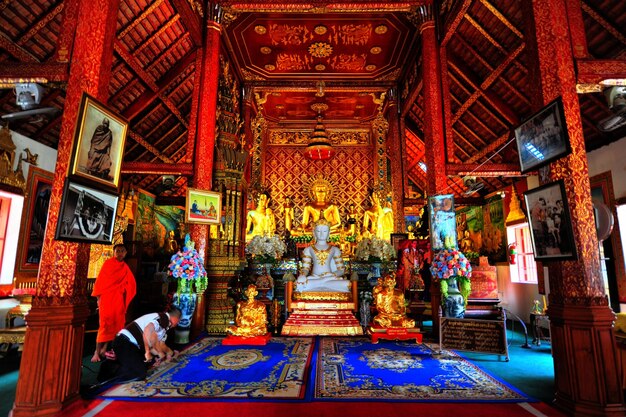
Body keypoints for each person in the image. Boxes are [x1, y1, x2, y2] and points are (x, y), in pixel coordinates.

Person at [108, 307, 181, 383]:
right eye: (178, 321)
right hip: (124, 342)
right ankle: (110, 371)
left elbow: (154, 343)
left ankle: (121, 363)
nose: (177, 324)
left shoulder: (165, 323)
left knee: (146, 365)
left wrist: (159, 356)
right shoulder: (164, 318)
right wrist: (147, 351)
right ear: (176, 318)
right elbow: (147, 331)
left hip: (131, 345)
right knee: (139, 373)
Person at [91, 244, 136, 362]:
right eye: (118, 251)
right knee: (104, 325)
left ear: (126, 253)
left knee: (117, 324)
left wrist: (124, 288)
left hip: (118, 300)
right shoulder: (108, 264)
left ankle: (105, 348)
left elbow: (131, 285)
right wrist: (98, 299)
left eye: (122, 251)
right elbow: (100, 282)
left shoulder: (125, 267)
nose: (120, 253)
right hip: (106, 299)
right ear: (113, 252)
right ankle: (96, 352)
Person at [295, 218, 350, 293]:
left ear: (329, 232)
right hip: (314, 278)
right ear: (314, 232)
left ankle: (322, 282)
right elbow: (305, 268)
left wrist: (332, 275)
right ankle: (322, 282)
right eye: (318, 231)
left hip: (330, 278)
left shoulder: (334, 250)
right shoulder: (309, 249)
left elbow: (341, 270)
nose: (321, 234)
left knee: (347, 284)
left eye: (324, 231)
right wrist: (302, 275)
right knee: (299, 283)